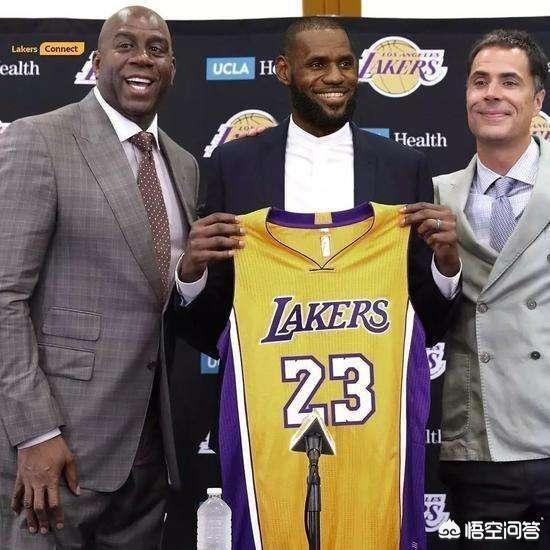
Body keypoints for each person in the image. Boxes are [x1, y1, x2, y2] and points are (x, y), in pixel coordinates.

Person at [0, 6, 198, 548]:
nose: (142, 58)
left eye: (156, 49)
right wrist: (35, 432)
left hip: (148, 453)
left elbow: (160, 291)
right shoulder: (39, 139)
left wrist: (191, 276)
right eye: (125, 45)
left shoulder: (182, 163)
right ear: (96, 61)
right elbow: (5, 296)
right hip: (57, 451)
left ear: (172, 68)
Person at [178, 16, 461, 351]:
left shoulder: (403, 167)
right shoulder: (235, 164)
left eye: (346, 64)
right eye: (317, 64)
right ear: (284, 71)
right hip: (266, 373)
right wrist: (192, 274)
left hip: (374, 371)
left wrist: (446, 268)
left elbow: (426, 317)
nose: (335, 76)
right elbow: (214, 314)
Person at [434, 29, 549, 549]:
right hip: (480, 449)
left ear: (537, 99)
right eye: (479, 82)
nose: (492, 94)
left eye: (509, 81)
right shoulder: (435, 195)